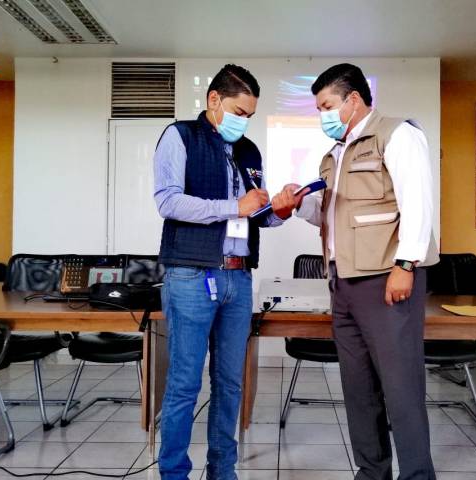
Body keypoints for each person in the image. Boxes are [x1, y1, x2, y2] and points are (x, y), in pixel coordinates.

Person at [153, 63, 304, 480]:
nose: (244, 121)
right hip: (192, 275)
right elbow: (168, 201)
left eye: (250, 115)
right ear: (214, 100)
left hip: (239, 278)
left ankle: (223, 470)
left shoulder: (249, 150)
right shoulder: (180, 136)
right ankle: (174, 474)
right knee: (184, 383)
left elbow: (256, 215)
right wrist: (232, 207)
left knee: (230, 383)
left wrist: (280, 210)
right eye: (239, 112)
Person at [296, 63, 438, 480]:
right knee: (358, 389)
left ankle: (417, 475)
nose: (323, 115)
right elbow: (330, 215)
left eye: (327, 106)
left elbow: (418, 202)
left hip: (385, 281)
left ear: (353, 99)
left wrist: (405, 265)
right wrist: (298, 204)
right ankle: (372, 473)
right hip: (343, 283)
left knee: (400, 387)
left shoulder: (397, 134)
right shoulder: (334, 155)